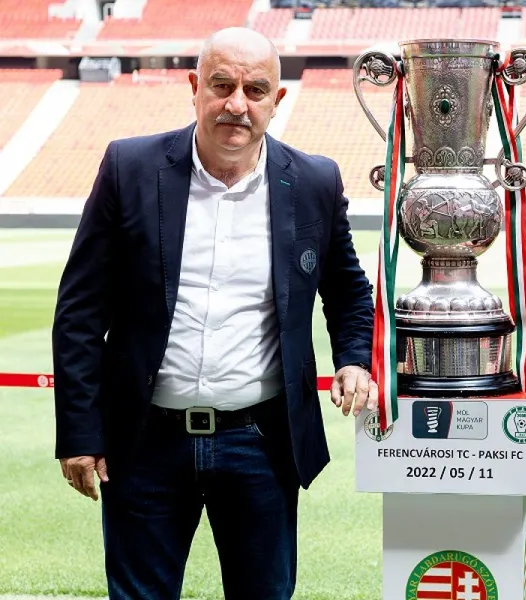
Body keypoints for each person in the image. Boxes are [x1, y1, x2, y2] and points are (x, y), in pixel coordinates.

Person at [52, 27, 376, 599]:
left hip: (261, 442)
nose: (237, 104)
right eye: (222, 85)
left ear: (277, 100)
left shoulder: (314, 181)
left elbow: (348, 290)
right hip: (145, 442)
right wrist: (80, 432)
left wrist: (354, 358)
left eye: (255, 90)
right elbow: (79, 310)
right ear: (195, 87)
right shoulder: (130, 167)